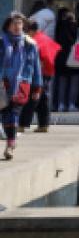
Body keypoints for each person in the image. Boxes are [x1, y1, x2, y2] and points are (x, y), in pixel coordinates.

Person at [1, 12, 44, 159]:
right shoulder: (1, 42)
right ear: (7, 26)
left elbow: (36, 67)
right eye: (14, 23)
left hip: (21, 85)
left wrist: (37, 87)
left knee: (12, 114)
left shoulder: (30, 45)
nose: (17, 26)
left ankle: (10, 145)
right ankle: (10, 140)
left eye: (20, 24)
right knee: (5, 114)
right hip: (3, 83)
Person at [27, 15, 58, 132]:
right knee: (43, 99)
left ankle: (24, 123)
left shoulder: (35, 41)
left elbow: (39, 58)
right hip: (48, 71)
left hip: (40, 72)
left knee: (35, 99)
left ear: (30, 30)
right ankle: (43, 125)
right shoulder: (44, 38)